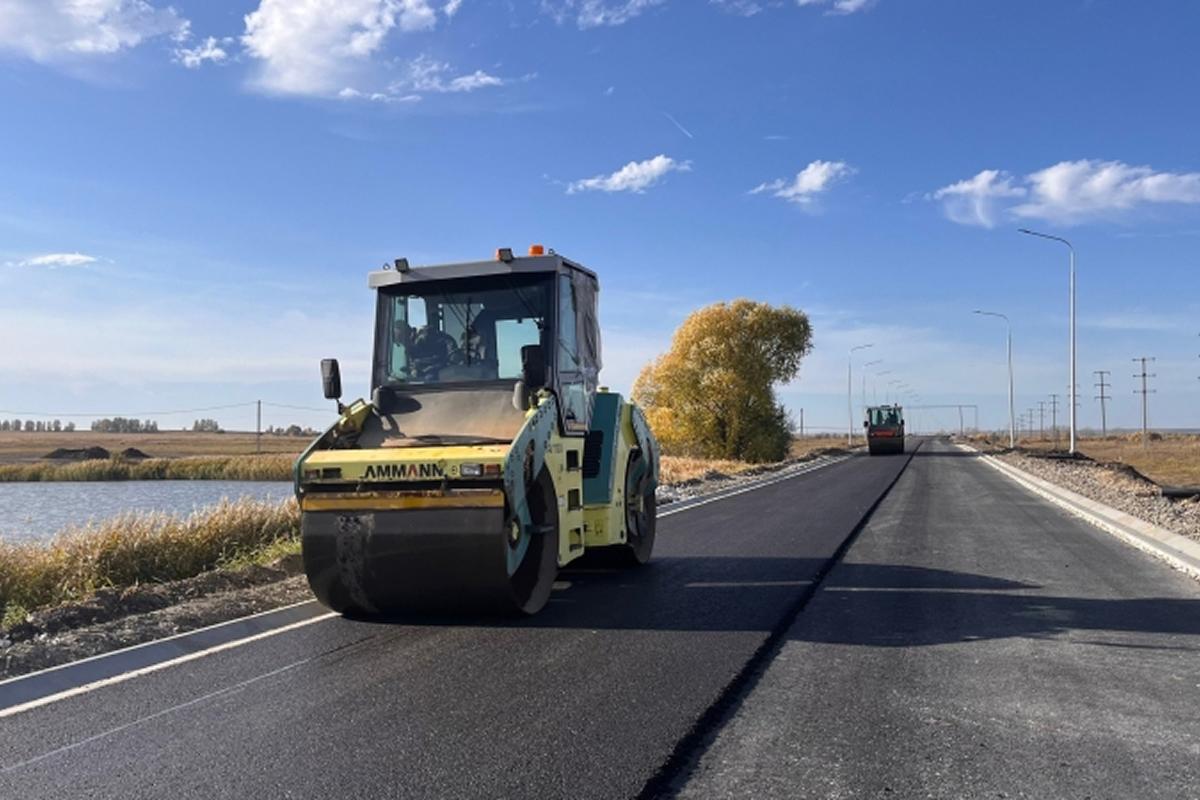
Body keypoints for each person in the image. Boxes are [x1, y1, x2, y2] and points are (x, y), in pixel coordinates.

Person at [394, 320, 459, 380]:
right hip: (430, 376)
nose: (402, 344)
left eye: (401, 339)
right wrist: (413, 370)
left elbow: (448, 342)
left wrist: (453, 356)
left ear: (407, 333)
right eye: (399, 342)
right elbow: (416, 367)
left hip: (446, 372)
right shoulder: (409, 351)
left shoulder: (425, 335)